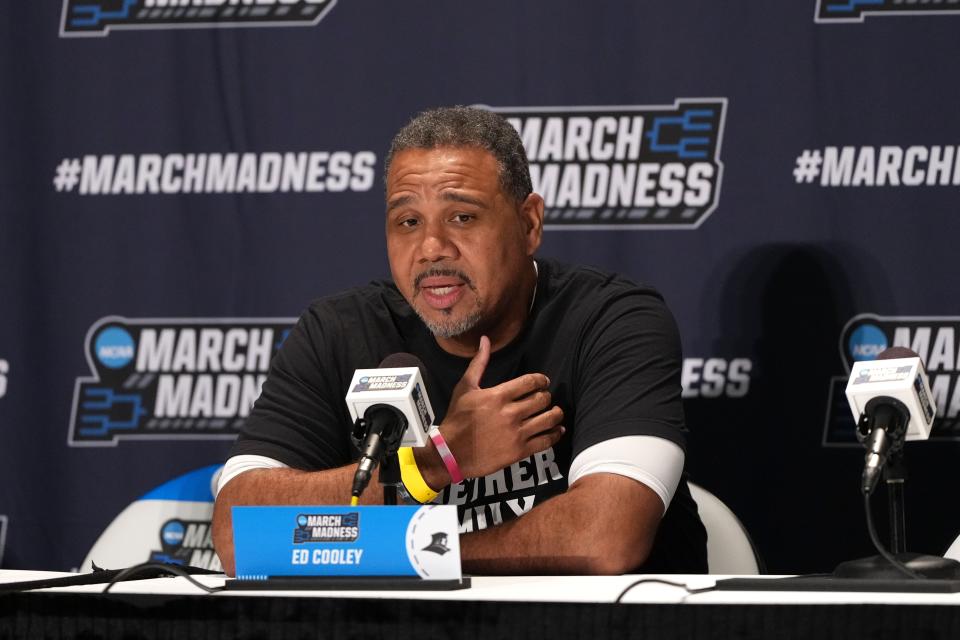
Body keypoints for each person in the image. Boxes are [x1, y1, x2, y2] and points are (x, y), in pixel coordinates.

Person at [212, 106, 707, 576]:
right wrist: (436, 462)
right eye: (408, 222)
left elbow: (605, 537)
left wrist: (405, 553)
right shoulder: (339, 331)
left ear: (529, 223)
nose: (431, 249)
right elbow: (237, 535)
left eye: (462, 217)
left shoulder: (611, 320)